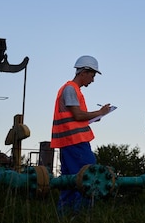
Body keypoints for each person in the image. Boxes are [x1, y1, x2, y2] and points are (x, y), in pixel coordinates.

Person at [50, 55, 111, 213]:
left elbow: (75, 118)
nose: (92, 80)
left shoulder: (69, 89)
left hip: (67, 142)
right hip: (75, 142)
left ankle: (64, 216)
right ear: (84, 72)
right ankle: (82, 215)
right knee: (89, 178)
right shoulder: (71, 89)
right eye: (92, 75)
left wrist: (93, 117)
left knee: (69, 183)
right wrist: (100, 112)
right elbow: (78, 115)